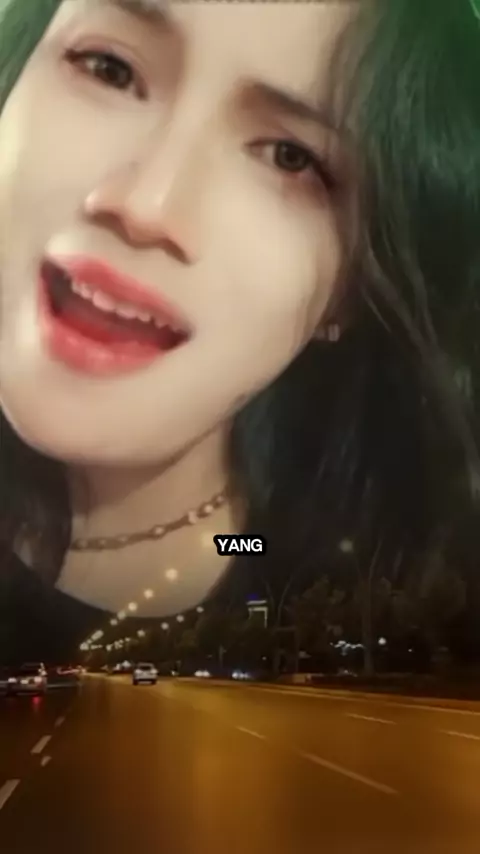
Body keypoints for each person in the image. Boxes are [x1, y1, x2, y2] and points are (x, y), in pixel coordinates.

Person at [0, 0, 472, 660]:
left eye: (289, 157)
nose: (145, 204)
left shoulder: (363, 610)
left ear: (352, 292)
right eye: (108, 68)